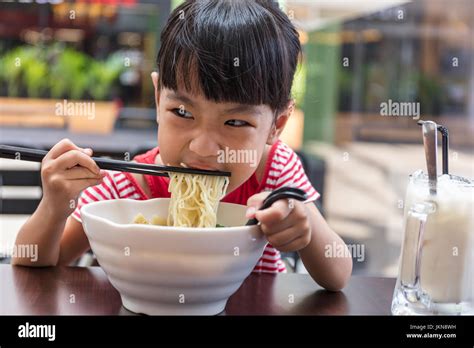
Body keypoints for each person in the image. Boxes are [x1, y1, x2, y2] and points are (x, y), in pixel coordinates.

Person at [13, 0, 352, 291]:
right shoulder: (125, 187)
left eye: (235, 122)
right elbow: (35, 261)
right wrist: (55, 206)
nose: (203, 147)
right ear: (158, 97)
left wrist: (303, 221)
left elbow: (338, 276)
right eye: (183, 112)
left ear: (276, 125)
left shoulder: (275, 170)